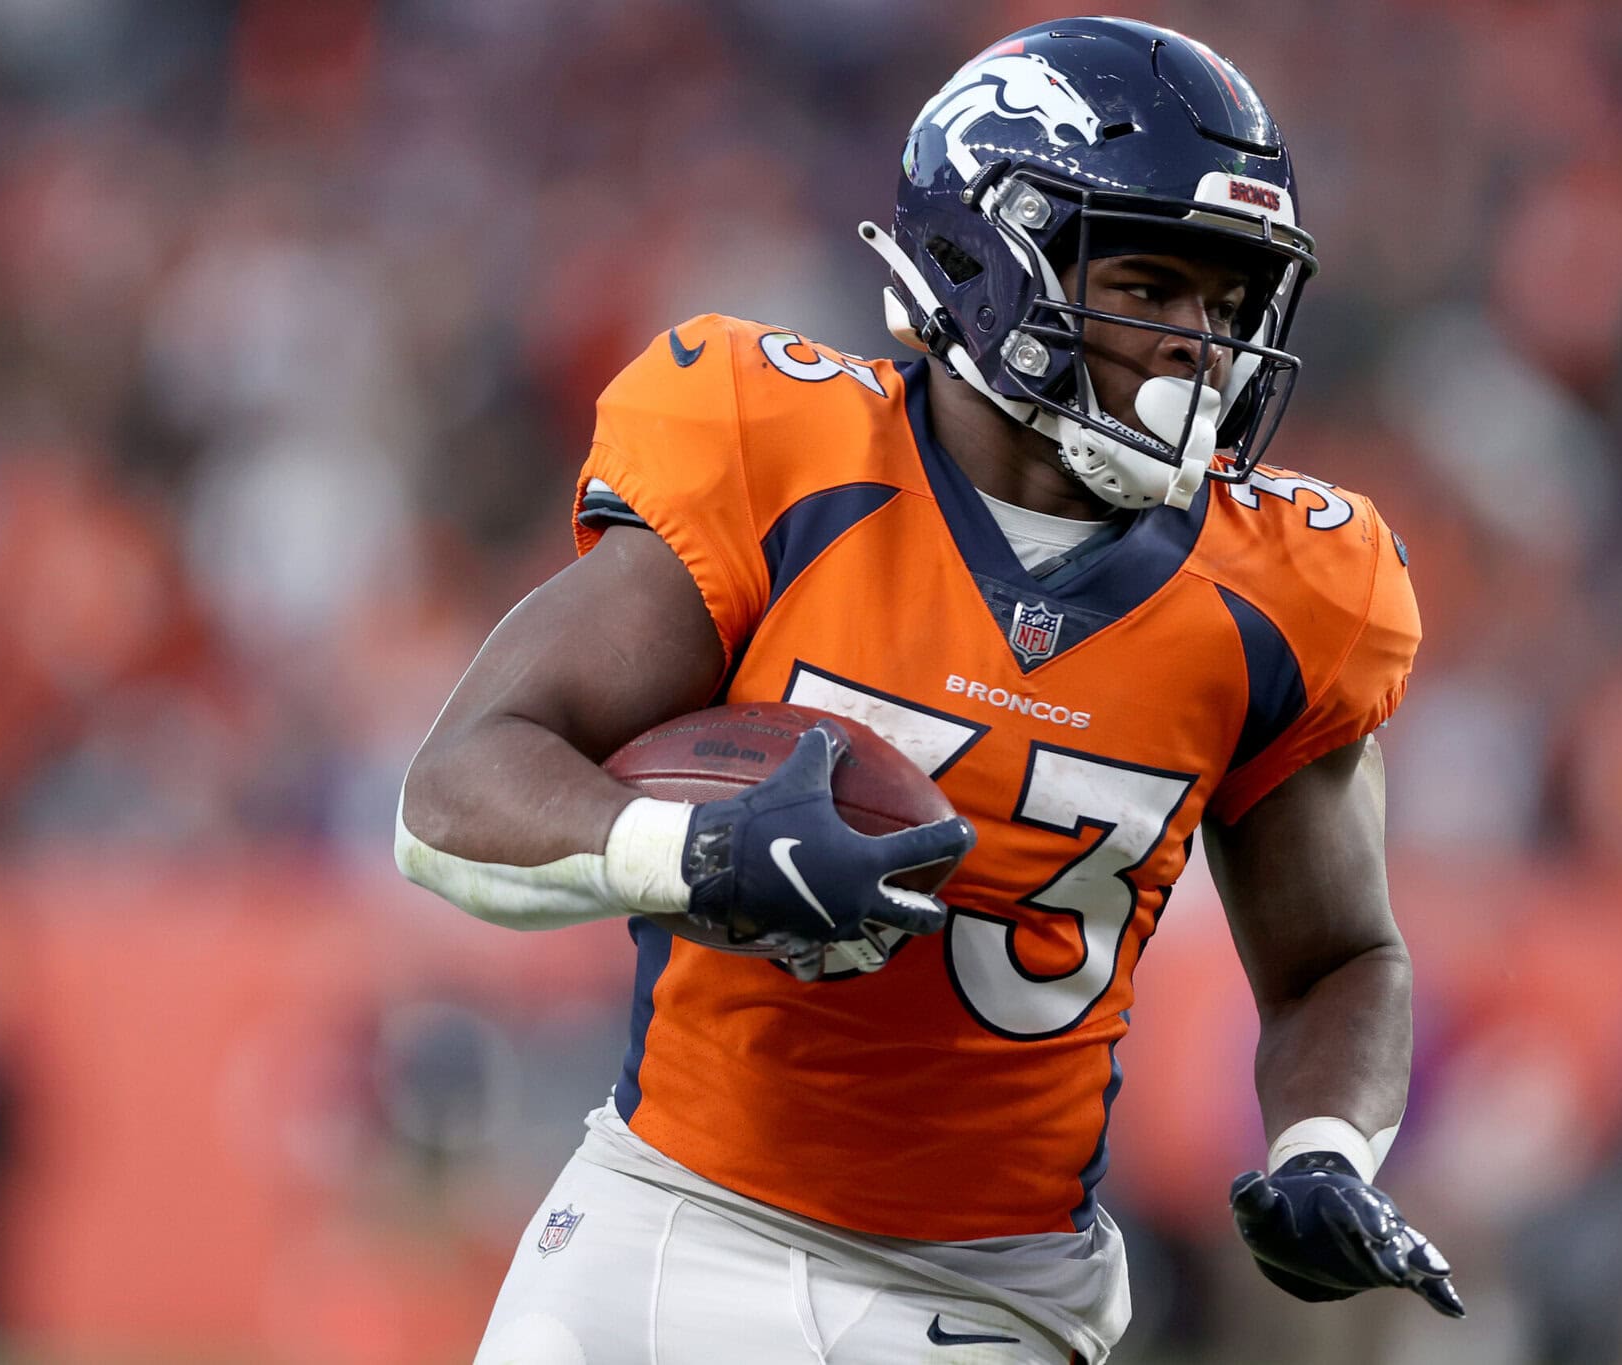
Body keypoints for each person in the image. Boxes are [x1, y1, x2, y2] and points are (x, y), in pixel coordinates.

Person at [397, 17, 1460, 1364]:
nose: (1201, 344)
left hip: (989, 1299)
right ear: (986, 262)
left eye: (1230, 302)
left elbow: (1339, 958)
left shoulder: (1292, 588)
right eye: (1151, 284)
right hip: (669, 1221)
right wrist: (698, 852)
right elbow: (454, 790)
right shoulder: (783, 455)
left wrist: (1325, 1148)